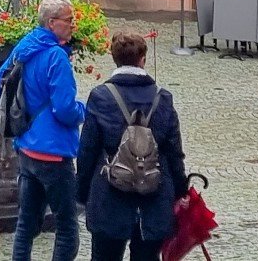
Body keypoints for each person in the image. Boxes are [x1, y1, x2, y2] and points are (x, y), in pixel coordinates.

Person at [0, 0, 86, 261]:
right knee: (67, 227)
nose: (73, 24)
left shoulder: (25, 46)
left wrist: (22, 109)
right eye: (69, 20)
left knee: (26, 225)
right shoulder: (56, 57)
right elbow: (65, 110)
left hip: (27, 150)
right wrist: (84, 111)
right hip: (54, 153)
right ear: (52, 23)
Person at [76, 32, 187, 261]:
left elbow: (87, 149)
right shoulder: (162, 98)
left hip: (109, 195)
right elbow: (174, 151)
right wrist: (181, 191)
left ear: (114, 58)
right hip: (153, 198)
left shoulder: (101, 96)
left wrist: (82, 192)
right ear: (143, 60)